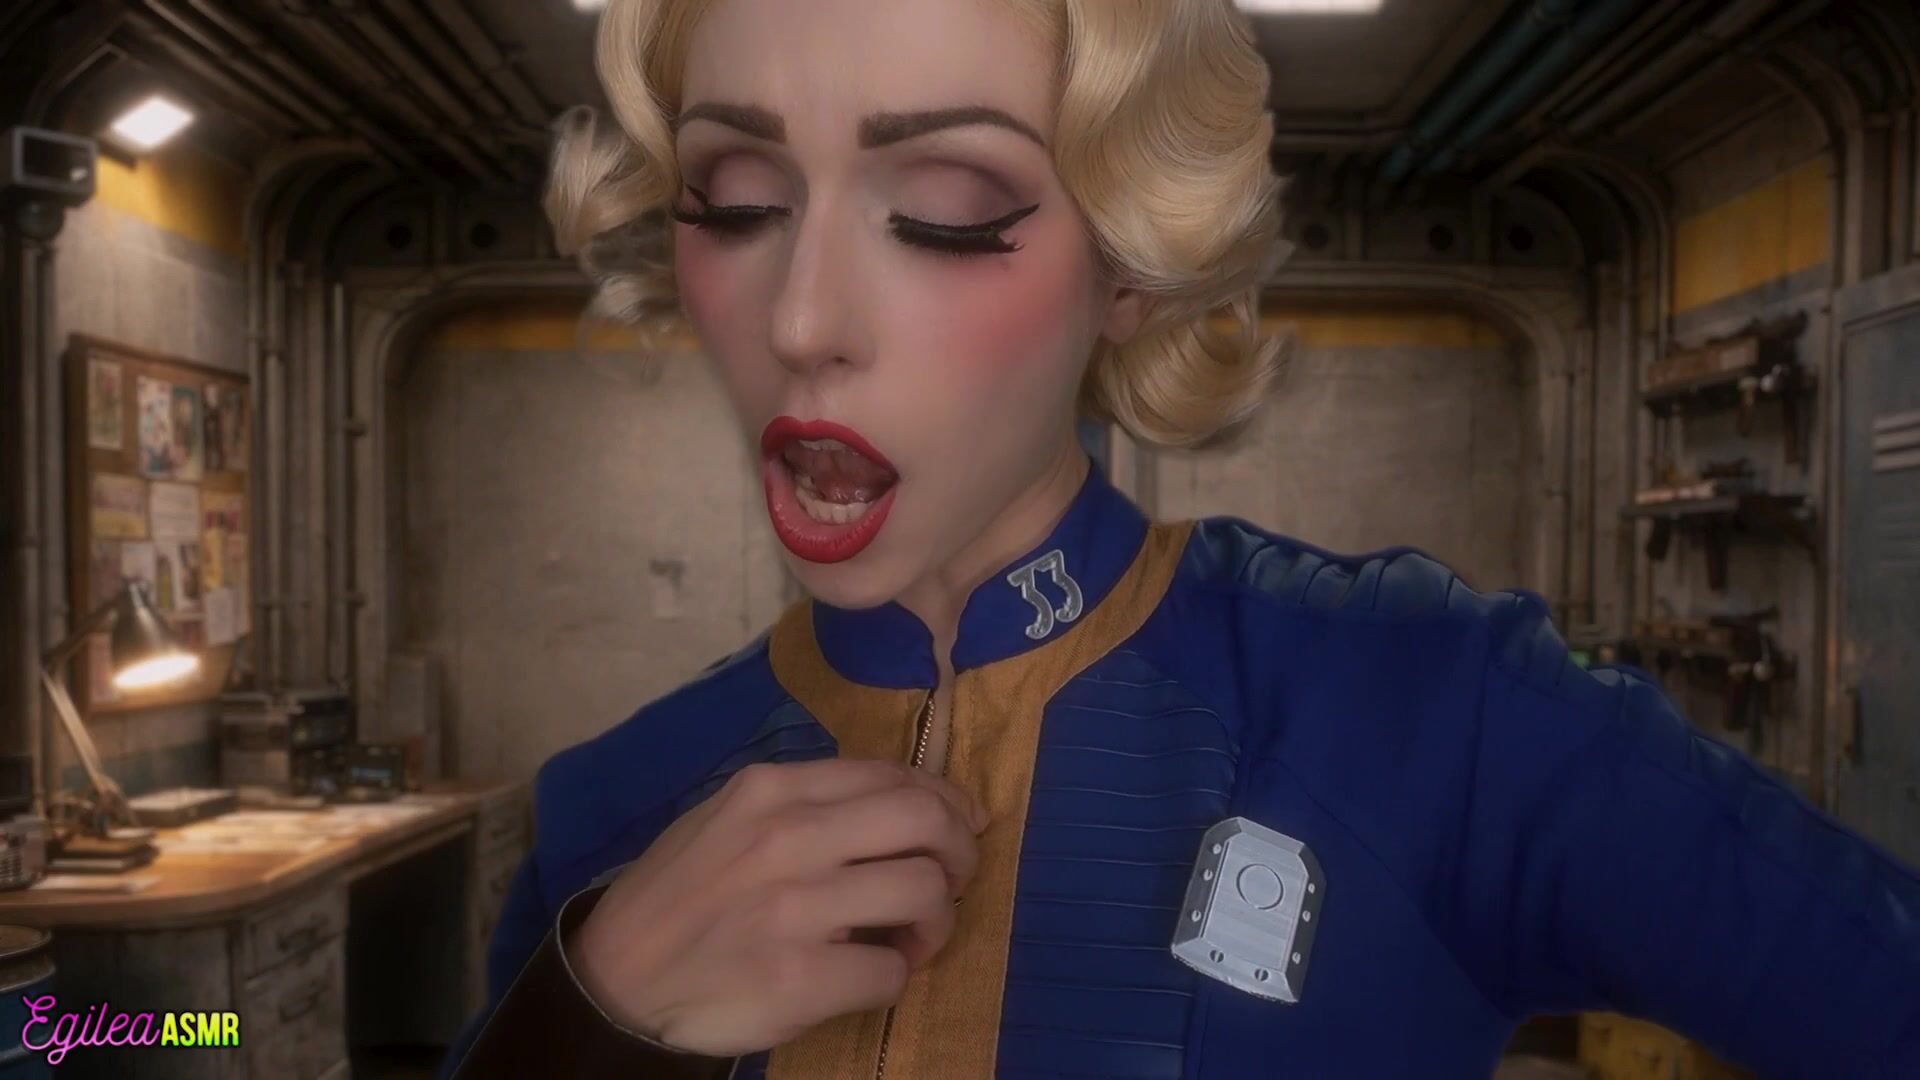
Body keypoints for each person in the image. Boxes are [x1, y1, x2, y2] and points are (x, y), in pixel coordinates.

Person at [443, 0, 1920, 1076]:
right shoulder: (604, 818)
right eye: (736, 199)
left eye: (947, 210)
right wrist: (584, 1020)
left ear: (1131, 270)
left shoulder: (1437, 709)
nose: (803, 320)